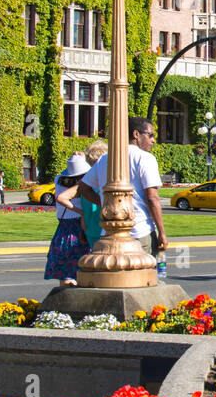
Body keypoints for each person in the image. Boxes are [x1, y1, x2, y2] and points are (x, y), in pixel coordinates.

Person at [76, 117, 167, 259]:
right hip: (140, 229)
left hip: (109, 232)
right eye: (150, 135)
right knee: (142, 276)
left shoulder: (105, 158)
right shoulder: (145, 158)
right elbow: (152, 197)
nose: (153, 140)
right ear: (136, 134)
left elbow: (83, 188)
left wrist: (106, 204)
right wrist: (161, 231)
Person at [47, 153, 90, 286]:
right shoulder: (83, 185)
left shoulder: (59, 180)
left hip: (63, 230)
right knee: (81, 272)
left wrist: (74, 161)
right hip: (79, 228)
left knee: (65, 274)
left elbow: (63, 174)